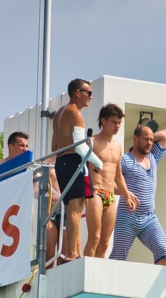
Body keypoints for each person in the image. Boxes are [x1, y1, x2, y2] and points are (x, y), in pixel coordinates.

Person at [52, 78, 102, 262]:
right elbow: (80, 147)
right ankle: (72, 253)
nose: (91, 97)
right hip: (74, 162)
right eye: (89, 93)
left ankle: (75, 251)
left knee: (74, 208)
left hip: (61, 162)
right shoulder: (75, 114)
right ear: (78, 93)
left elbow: (54, 146)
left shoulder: (59, 114)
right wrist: (98, 163)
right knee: (75, 209)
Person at [110, 124, 166, 265]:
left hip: (149, 218)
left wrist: (149, 136)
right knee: (118, 259)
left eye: (151, 140)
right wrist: (126, 193)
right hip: (127, 217)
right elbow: (108, 183)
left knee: (164, 253)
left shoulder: (153, 157)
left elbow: (165, 134)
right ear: (135, 139)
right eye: (145, 139)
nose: (149, 143)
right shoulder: (125, 160)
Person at [85, 104, 138, 258]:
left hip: (110, 196)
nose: (117, 126)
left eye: (119, 123)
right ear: (104, 121)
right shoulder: (92, 142)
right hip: (95, 192)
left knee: (105, 242)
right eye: (114, 122)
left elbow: (118, 176)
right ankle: (87, 268)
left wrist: (127, 195)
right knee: (94, 237)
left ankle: (98, 271)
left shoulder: (117, 147)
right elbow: (82, 170)